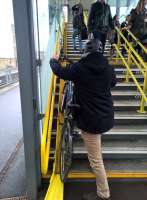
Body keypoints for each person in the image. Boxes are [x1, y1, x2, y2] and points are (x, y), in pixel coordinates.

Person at [50, 39, 116, 200]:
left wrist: (53, 60)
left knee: (96, 161)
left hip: (91, 119)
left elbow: (60, 72)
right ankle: (95, 158)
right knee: (95, 149)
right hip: (105, 117)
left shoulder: (79, 68)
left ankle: (103, 193)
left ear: (85, 51)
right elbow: (112, 83)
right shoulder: (108, 68)